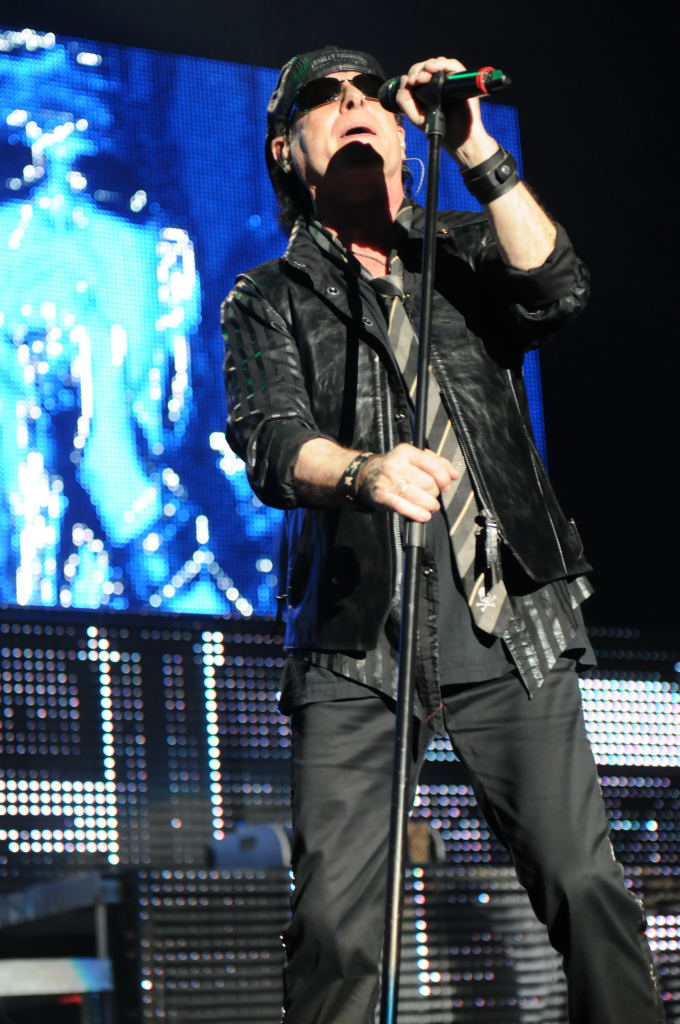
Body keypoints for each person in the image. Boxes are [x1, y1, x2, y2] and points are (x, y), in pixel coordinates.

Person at [221, 46, 664, 1024]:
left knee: (586, 890)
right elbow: (271, 440)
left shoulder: (461, 251)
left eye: (369, 95)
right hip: (356, 645)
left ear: (398, 131)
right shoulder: (267, 296)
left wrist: (472, 147)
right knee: (336, 930)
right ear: (286, 149)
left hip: (507, 626)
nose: (353, 105)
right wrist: (363, 471)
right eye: (324, 99)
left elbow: (557, 289)